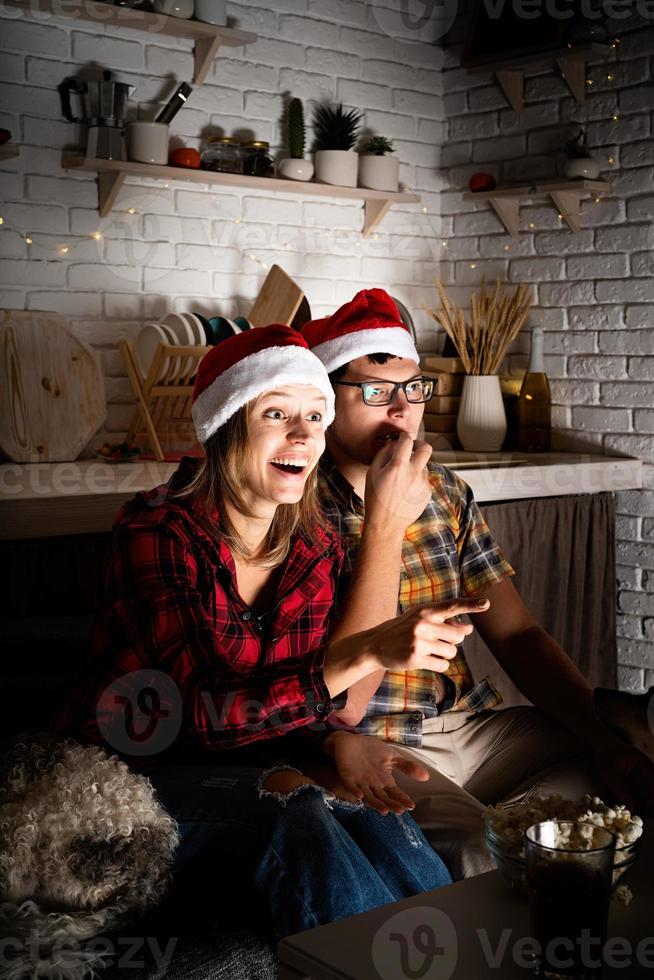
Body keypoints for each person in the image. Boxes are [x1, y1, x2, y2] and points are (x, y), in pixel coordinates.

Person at [57, 324, 453, 939]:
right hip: (131, 775)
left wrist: (329, 743)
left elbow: (289, 697)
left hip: (255, 760)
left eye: (317, 417)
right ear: (226, 424)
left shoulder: (313, 544)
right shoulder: (159, 533)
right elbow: (198, 717)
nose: (304, 435)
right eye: (277, 413)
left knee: (378, 817)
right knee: (295, 814)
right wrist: (370, 651)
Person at [300, 289, 654, 879]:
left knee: (614, 777)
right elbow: (330, 695)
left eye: (413, 390)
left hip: (472, 727)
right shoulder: (301, 504)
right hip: (377, 740)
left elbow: (515, 633)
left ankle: (516, 833)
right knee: (478, 851)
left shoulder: (445, 491)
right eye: (375, 391)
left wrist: (602, 736)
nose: (400, 410)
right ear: (327, 401)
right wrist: (384, 516)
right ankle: (500, 843)